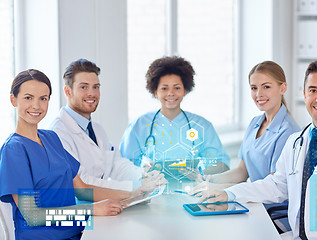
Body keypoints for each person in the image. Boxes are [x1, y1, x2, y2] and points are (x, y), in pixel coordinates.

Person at [198, 60, 317, 239]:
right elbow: (277, 185)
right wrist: (230, 194)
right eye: (313, 90)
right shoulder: (296, 141)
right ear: (304, 94)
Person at [0, 70, 149, 240]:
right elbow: (32, 216)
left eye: (43, 98)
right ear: (13, 100)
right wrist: (92, 209)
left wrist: (133, 194)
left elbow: (82, 189)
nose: (36, 105)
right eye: (28, 98)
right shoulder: (14, 150)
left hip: (76, 231)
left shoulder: (51, 138)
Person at [50, 59, 166, 192]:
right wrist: (134, 187)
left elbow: (116, 165)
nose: (92, 93)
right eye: (83, 87)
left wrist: (143, 176)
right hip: (82, 208)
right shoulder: (58, 133)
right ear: (68, 91)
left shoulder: (97, 130)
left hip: (105, 204)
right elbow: (82, 183)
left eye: (96, 87)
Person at [190, 61, 299, 195]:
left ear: (282, 88)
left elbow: (273, 187)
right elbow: (242, 171)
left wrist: (222, 189)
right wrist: (210, 180)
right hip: (249, 198)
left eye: (266, 87)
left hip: (268, 208)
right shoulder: (255, 123)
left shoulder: (288, 132)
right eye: (254, 88)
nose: (259, 94)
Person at [120, 56, 230, 181]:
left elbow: (221, 163)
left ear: (185, 90)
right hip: (152, 191)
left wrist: (202, 175)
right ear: (155, 92)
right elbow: (124, 165)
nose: (171, 93)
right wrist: (142, 174)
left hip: (193, 191)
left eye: (177, 88)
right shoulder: (139, 125)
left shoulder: (202, 125)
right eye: (164, 88)